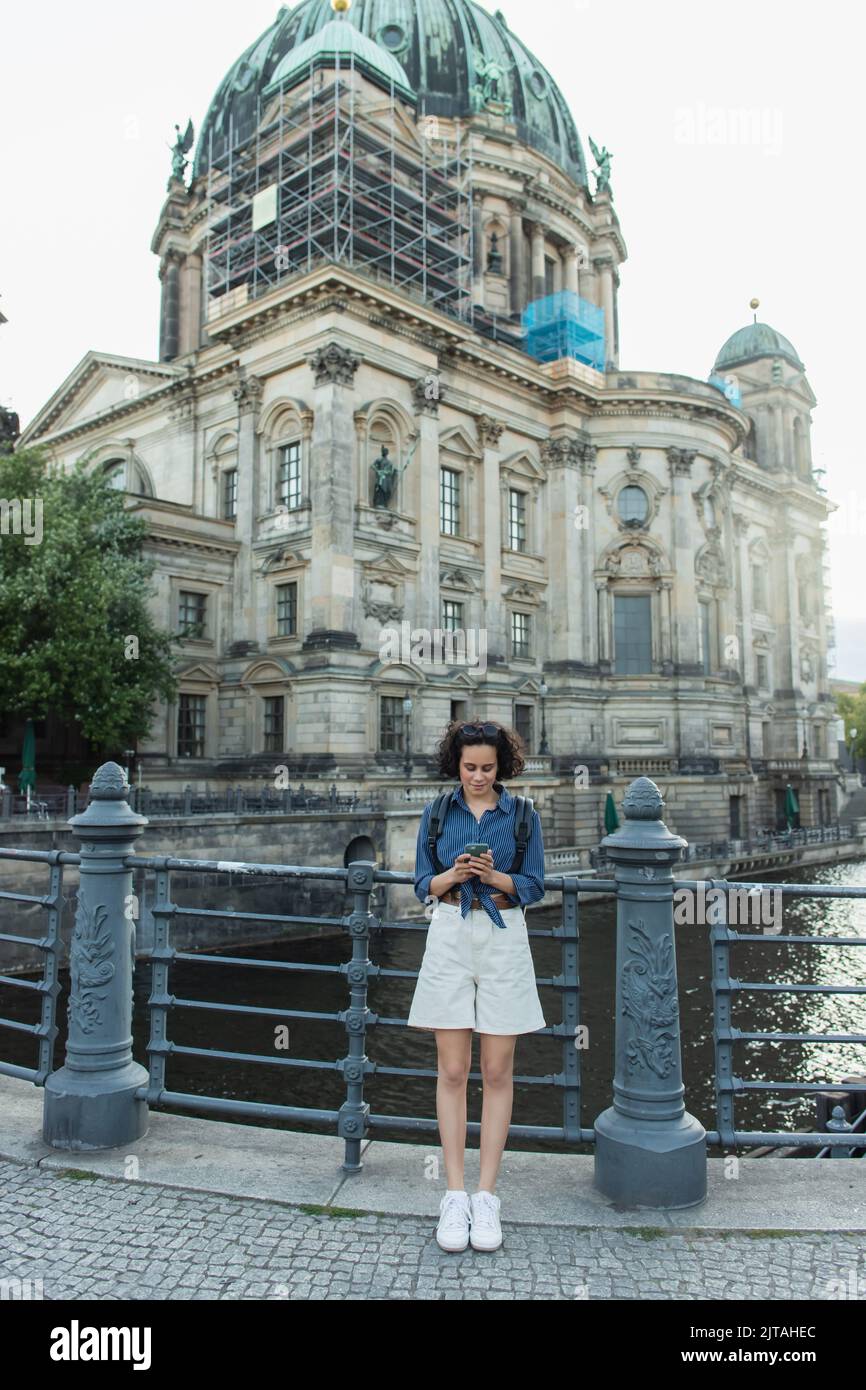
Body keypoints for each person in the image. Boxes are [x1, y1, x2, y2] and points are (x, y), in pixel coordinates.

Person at [408, 718, 547, 1253]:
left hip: (503, 933)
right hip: (448, 931)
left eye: (488, 767)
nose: (479, 776)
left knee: (496, 1070)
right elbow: (423, 881)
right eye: (470, 767)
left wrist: (493, 878)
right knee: (450, 1069)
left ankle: (487, 1196)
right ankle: (455, 1194)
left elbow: (534, 885)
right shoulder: (437, 813)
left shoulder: (523, 815)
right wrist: (454, 874)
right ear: (456, 765)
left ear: (502, 766)